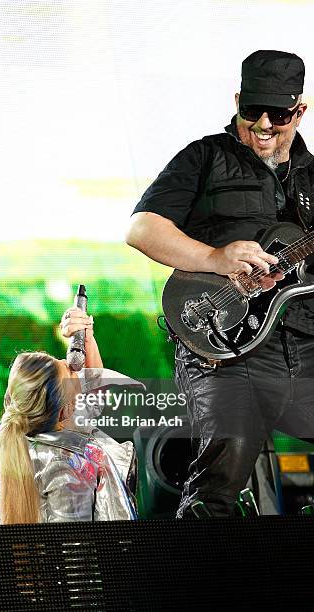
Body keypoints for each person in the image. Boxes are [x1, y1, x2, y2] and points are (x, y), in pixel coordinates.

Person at [126, 50, 314, 517]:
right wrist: (214, 257)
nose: (265, 124)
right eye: (253, 111)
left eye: (280, 113)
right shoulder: (205, 157)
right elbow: (142, 229)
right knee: (216, 489)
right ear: (237, 101)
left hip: (307, 341)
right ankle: (210, 586)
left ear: (300, 110)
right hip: (229, 345)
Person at [0, 306, 142, 524]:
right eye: (71, 373)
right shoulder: (65, 464)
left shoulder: (36, 437)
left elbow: (95, 388)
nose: (75, 368)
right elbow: (74, 546)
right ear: (67, 409)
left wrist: (86, 336)